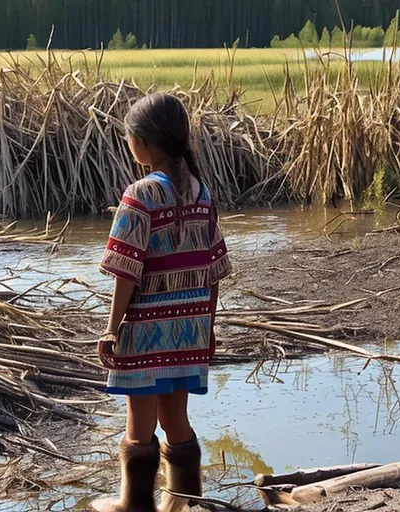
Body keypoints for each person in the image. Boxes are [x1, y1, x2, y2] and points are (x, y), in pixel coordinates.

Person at [89, 93, 232, 512]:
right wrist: (206, 325)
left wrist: (111, 328)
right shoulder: (202, 193)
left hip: (147, 330)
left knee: (139, 429)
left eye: (129, 136)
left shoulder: (139, 196)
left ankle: (134, 506)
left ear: (146, 143)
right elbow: (214, 271)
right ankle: (184, 502)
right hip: (187, 329)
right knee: (176, 422)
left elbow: (125, 271)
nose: (128, 142)